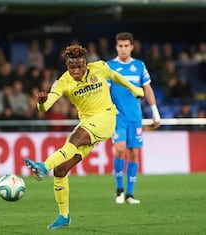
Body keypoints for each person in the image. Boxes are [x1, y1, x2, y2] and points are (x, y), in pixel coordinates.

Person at [24, 44, 144, 229]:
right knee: (61, 170)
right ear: (67, 66)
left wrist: (133, 89)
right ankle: (64, 216)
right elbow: (46, 106)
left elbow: (115, 76)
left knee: (75, 138)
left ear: (86, 63)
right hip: (87, 123)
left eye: (80, 66)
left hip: (106, 118)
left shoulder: (100, 67)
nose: (77, 71)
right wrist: (40, 103)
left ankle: (43, 166)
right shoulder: (63, 82)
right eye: (72, 67)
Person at [107, 32, 161, 204]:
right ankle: (118, 191)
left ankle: (130, 194)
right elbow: (104, 93)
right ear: (116, 47)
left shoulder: (139, 66)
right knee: (120, 150)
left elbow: (148, 89)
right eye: (120, 46)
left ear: (131, 47)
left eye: (126, 46)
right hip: (117, 117)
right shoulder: (109, 67)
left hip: (135, 117)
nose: (123, 49)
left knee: (133, 154)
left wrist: (155, 111)